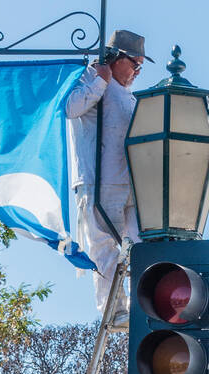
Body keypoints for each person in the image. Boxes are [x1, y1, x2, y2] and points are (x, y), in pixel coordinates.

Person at [65, 29, 153, 313]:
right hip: (97, 182)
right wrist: (100, 82)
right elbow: (70, 108)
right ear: (116, 58)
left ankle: (144, 304)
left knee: (142, 244)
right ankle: (113, 309)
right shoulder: (89, 79)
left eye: (141, 65)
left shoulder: (127, 95)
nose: (138, 70)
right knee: (104, 247)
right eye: (134, 63)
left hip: (129, 183)